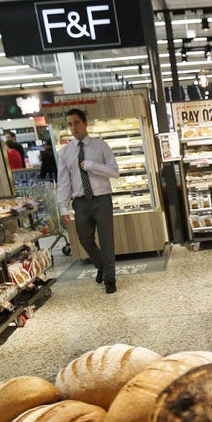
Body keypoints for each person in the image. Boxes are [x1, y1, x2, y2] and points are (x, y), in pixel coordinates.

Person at [57, 108, 120, 294]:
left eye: (76, 122)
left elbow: (114, 172)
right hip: (81, 202)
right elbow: (63, 181)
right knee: (84, 239)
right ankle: (101, 266)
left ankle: (110, 279)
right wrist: (63, 207)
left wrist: (92, 166)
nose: (73, 127)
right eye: (70, 124)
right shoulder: (65, 152)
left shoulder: (100, 146)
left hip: (102, 199)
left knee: (107, 240)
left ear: (84, 123)